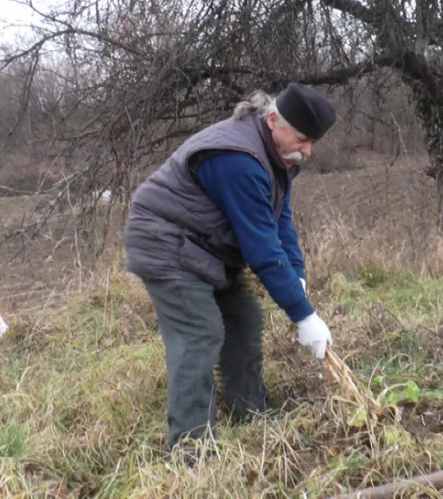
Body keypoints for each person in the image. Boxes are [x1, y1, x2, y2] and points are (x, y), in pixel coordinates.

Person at [124, 83, 336, 451]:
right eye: (303, 139)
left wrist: (297, 275)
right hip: (166, 242)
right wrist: (304, 316)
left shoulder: (278, 155)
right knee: (199, 334)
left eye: (312, 142)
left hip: (205, 249)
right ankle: (194, 450)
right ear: (274, 121)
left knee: (244, 319)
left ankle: (251, 414)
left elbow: (279, 219)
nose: (308, 151)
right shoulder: (239, 160)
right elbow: (261, 249)